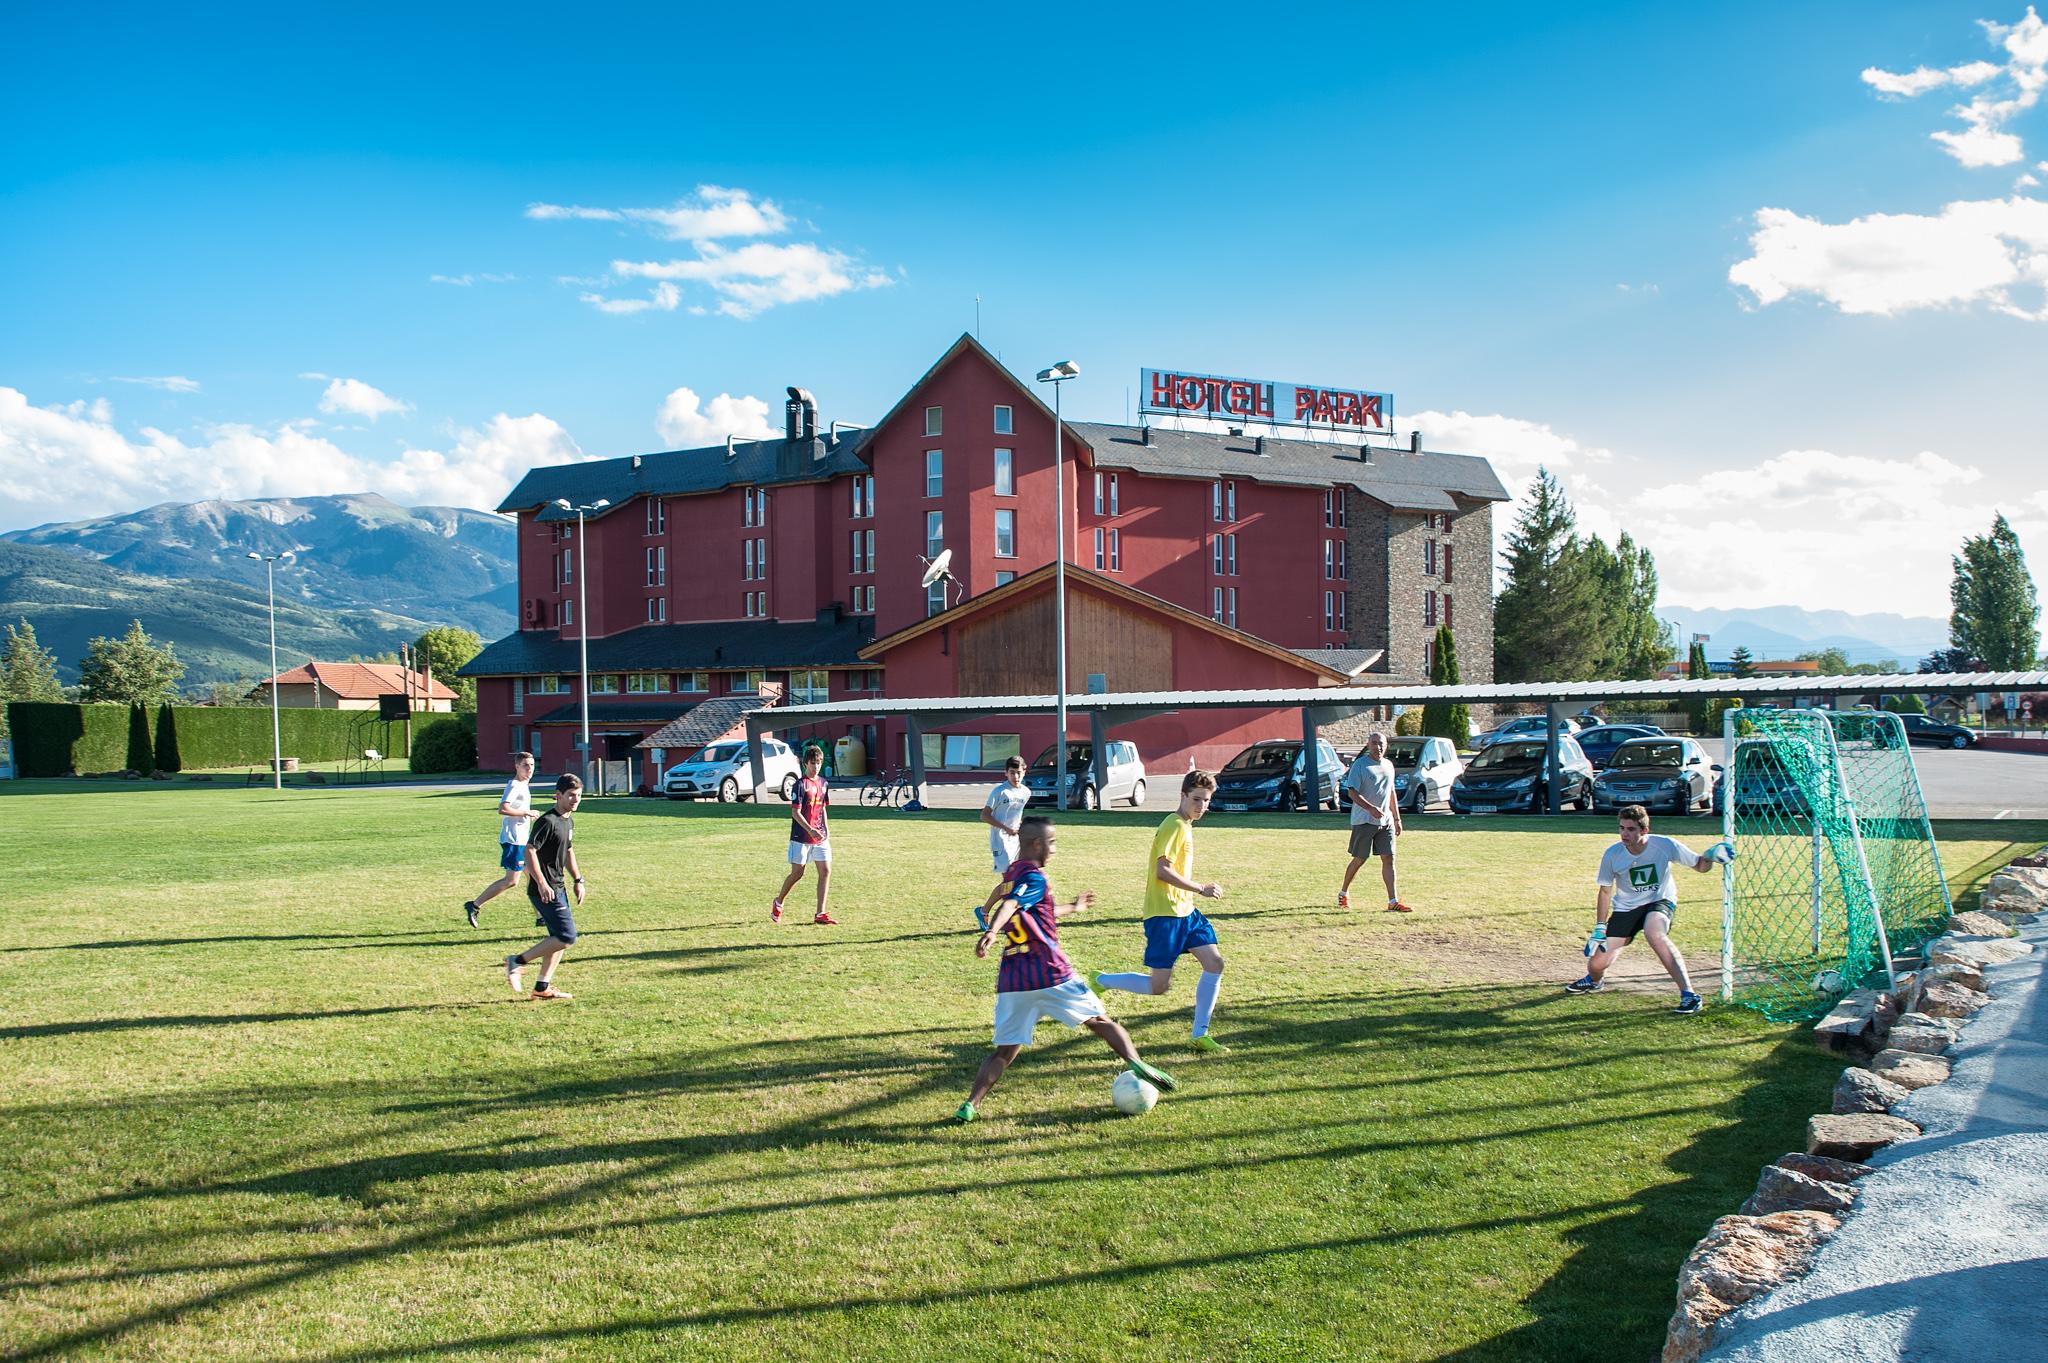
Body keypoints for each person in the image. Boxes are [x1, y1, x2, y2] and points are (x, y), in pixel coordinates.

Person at [954, 816, 1177, 1122]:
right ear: (1036, 844)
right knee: (1099, 1020)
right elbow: (1013, 907)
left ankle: (970, 1105)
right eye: (1053, 842)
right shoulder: (1034, 878)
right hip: (1050, 972)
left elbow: (1036, 909)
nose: (1055, 848)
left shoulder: (1011, 875)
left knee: (1004, 1053)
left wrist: (1074, 907)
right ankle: (1136, 1062)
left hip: (1013, 981)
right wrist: (992, 930)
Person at [1093, 769, 1231, 1055]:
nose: (1201, 806)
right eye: (1196, 799)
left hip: (1186, 913)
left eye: (1206, 801)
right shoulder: (1174, 825)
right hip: (1165, 914)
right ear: (1181, 795)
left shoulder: (1186, 825)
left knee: (1215, 964)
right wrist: (1200, 888)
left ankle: (1199, 1035)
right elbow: (1162, 870)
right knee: (1158, 987)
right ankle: (1101, 980)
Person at [1566, 804, 1730, 1015]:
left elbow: (1699, 866)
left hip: (1659, 901)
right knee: (1596, 965)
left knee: (1655, 933)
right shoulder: (1612, 855)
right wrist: (1599, 926)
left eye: (1631, 829)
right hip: (1626, 908)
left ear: (1644, 830)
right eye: (1622, 828)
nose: (1624, 834)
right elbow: (1605, 891)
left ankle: (1689, 995)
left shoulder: (1665, 845)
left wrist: (1709, 857)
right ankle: (1595, 982)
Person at [504, 773, 584, 1001]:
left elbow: (568, 850)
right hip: (545, 890)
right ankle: (517, 961)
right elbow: (529, 850)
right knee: (567, 937)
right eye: (570, 796)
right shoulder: (547, 822)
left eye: (578, 796)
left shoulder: (567, 821)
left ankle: (542, 986)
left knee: (556, 939)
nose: (575, 800)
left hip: (559, 886)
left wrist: (578, 880)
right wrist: (541, 883)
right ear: (557, 796)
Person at [1338, 731, 1412, 913]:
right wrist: (1370, 808)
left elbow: (1391, 792)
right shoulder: (1360, 765)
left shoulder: (1388, 765)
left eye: (1381, 743)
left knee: (1389, 858)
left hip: (1385, 822)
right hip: (1363, 820)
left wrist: (1396, 818)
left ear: (1386, 745)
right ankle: (1343, 893)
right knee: (1359, 859)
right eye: (1374, 743)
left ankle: (1392, 901)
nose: (1378, 747)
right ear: (1368, 744)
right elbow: (1352, 792)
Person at [465, 751, 535, 928]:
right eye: (525, 765)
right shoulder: (515, 785)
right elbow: (502, 808)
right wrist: (526, 812)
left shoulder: (524, 785)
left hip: (523, 838)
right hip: (514, 839)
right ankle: (474, 905)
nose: (529, 769)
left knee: (534, 876)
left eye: (532, 765)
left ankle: (541, 916)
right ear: (517, 766)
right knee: (511, 881)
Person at [772, 745, 837, 925]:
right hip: (802, 837)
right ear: (805, 764)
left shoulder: (824, 783)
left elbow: (823, 808)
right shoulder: (800, 785)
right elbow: (796, 813)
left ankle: (820, 913)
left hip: (820, 837)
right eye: (812, 763)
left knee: (825, 871)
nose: (816, 767)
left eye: (818, 763)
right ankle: (778, 902)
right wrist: (810, 830)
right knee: (797, 873)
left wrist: (826, 829)